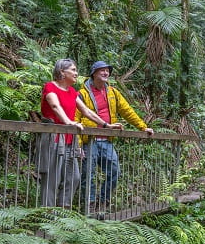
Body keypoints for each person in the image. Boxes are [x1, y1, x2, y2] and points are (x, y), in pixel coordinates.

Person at [77, 61, 154, 212]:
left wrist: (143, 127)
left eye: (107, 71)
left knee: (114, 171)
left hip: (107, 140)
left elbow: (127, 111)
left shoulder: (113, 93)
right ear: (94, 73)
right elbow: (76, 118)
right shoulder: (82, 94)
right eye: (102, 71)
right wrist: (78, 145)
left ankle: (102, 202)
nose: (105, 73)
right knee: (88, 174)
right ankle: (89, 207)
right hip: (89, 140)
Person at [37, 59, 115, 208]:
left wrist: (106, 125)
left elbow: (86, 111)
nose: (76, 73)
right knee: (52, 179)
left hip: (69, 141)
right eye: (73, 70)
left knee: (74, 177)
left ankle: (62, 212)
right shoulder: (50, 87)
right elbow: (54, 105)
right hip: (53, 138)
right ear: (62, 72)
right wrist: (69, 122)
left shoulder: (72, 92)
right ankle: (47, 216)